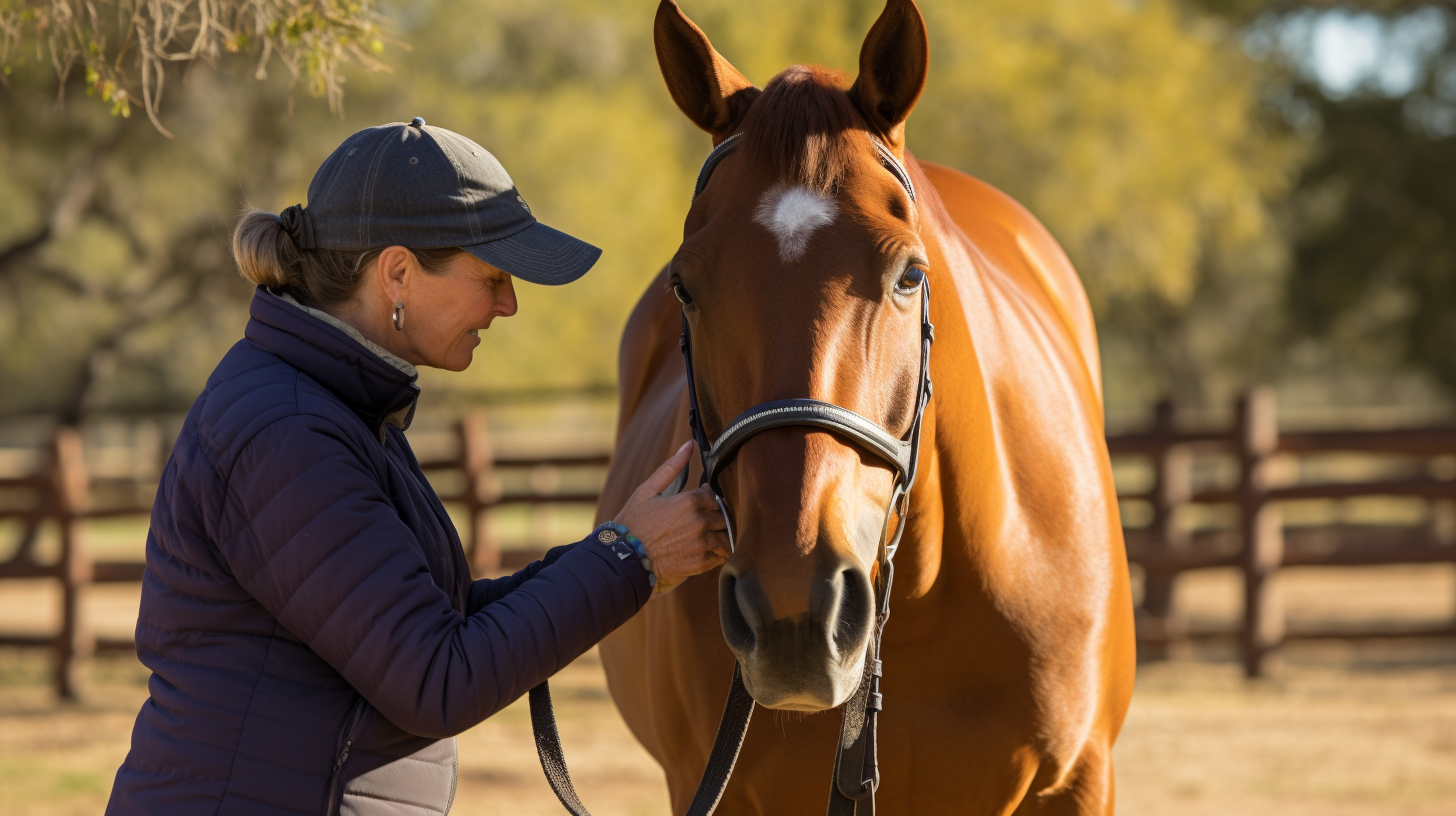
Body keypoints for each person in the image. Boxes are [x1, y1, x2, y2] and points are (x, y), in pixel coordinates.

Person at [104, 118, 729, 816]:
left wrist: (621, 553)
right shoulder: (286, 432)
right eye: (491, 276)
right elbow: (436, 677)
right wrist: (628, 558)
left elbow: (432, 624)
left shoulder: (332, 409)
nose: (509, 303)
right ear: (397, 272)